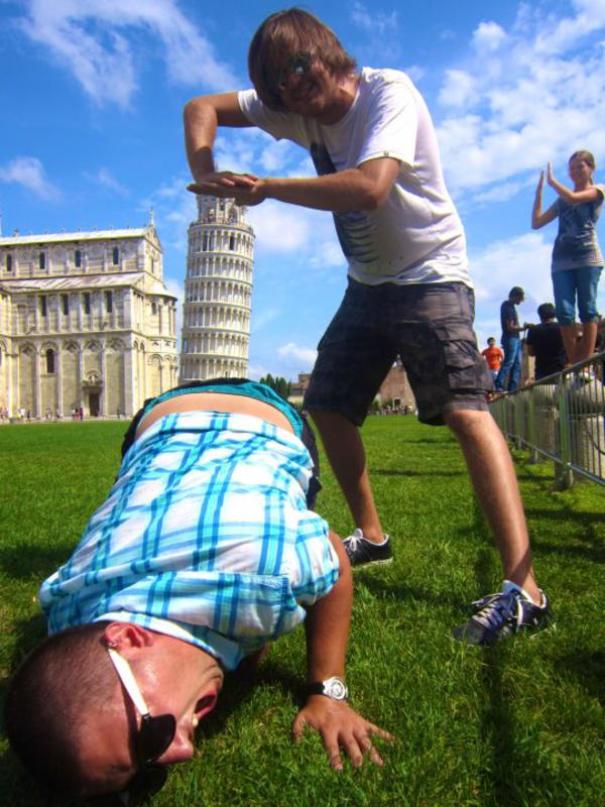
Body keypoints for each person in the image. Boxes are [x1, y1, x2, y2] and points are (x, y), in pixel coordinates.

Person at [183, 8, 550, 645]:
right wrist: (205, 170)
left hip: (431, 274)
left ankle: (526, 590)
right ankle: (373, 537)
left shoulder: (390, 93)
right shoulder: (295, 109)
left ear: (328, 54)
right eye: (275, 88)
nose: (292, 93)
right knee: (326, 404)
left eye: (299, 71)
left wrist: (266, 187)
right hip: (368, 285)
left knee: (465, 412)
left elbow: (371, 187)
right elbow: (199, 105)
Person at [4, 380, 392, 804]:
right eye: (147, 774)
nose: (183, 751)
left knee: (289, 503)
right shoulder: (65, 609)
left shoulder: (265, 582)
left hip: (266, 420)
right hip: (156, 424)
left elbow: (333, 557)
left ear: (129, 638)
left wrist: (327, 690)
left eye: (152, 735)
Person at [531, 151, 604, 366]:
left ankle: (586, 362)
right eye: (571, 168)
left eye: (579, 167)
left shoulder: (598, 190)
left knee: (587, 308)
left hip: (587, 257)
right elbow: (536, 222)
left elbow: (573, 197)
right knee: (564, 312)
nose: (575, 172)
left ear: (591, 168)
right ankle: (574, 363)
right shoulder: (561, 200)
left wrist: (553, 182)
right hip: (561, 260)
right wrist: (539, 193)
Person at [495, 287, 528, 392]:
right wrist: (524, 328)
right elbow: (510, 327)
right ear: (515, 296)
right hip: (510, 338)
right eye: (520, 299)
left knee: (517, 364)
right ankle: (498, 385)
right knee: (509, 362)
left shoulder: (511, 307)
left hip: (515, 338)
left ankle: (513, 388)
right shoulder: (507, 307)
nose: (520, 301)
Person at [525, 303, 566, 381]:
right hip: (561, 372)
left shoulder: (533, 330)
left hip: (542, 375)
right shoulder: (562, 328)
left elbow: (531, 352)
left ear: (540, 315)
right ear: (554, 314)